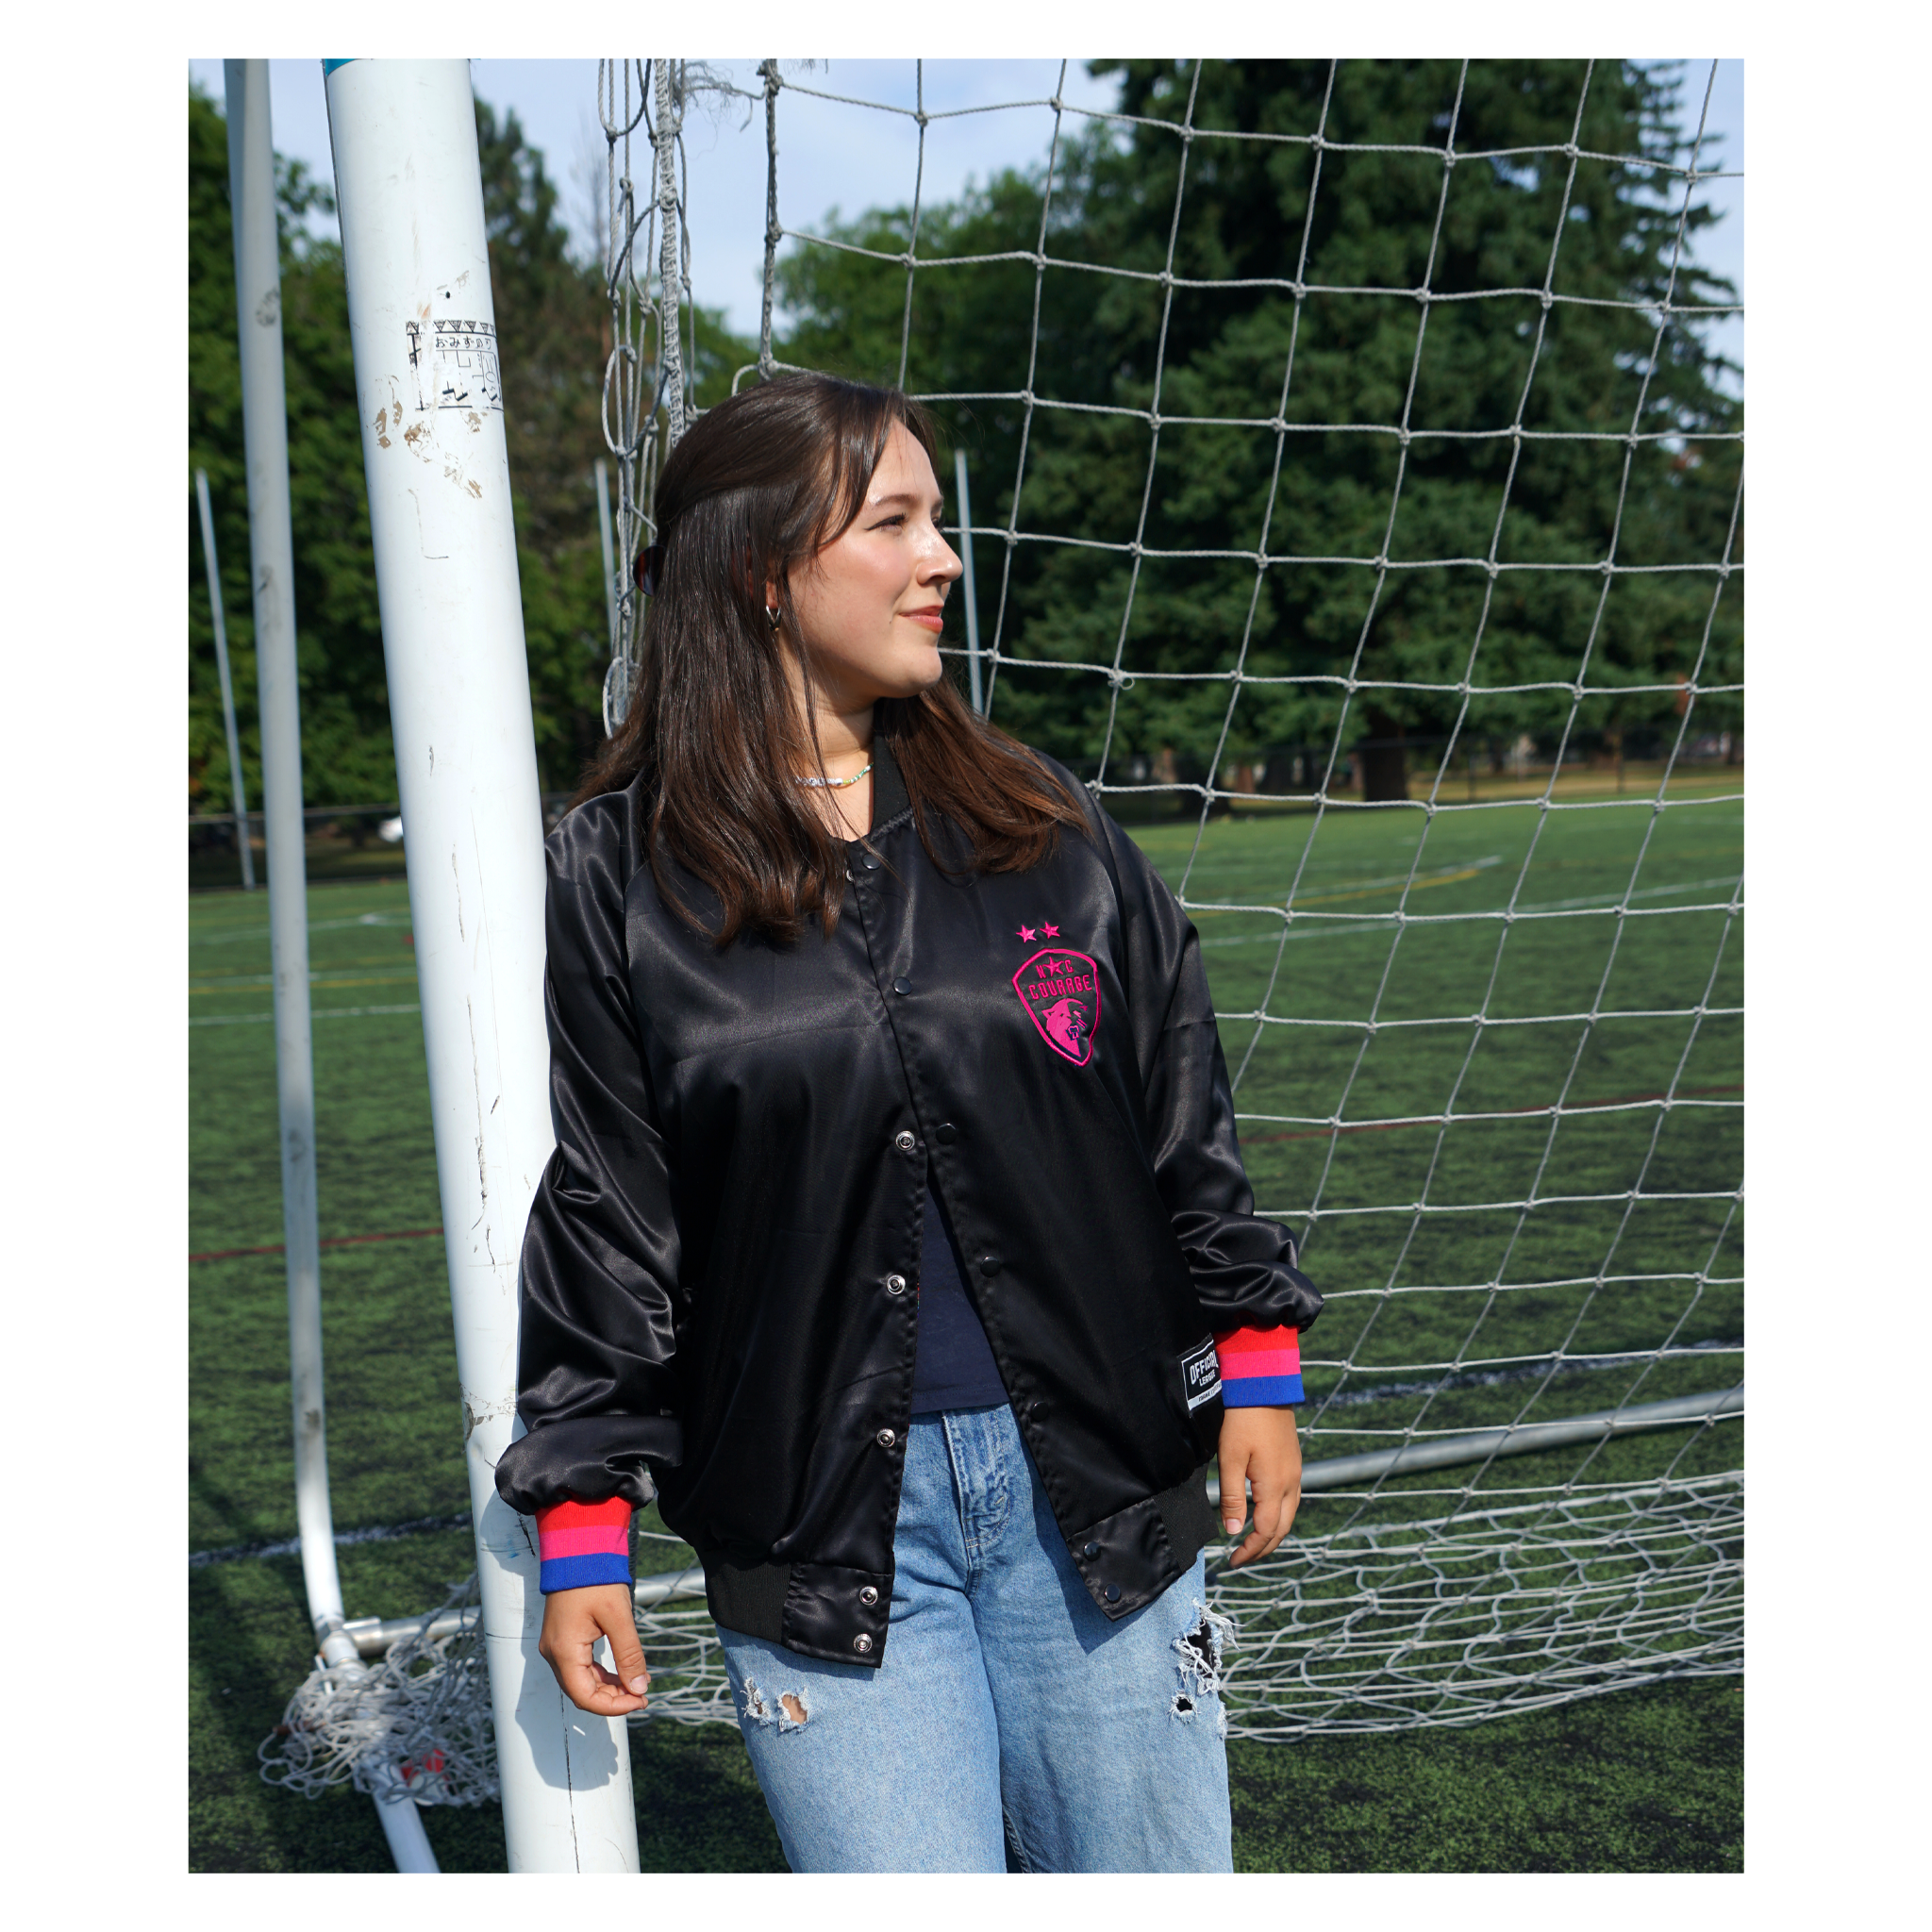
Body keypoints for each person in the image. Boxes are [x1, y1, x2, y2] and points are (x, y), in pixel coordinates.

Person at [493, 371, 1323, 1874]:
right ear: (759, 570)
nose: (943, 556)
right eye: (895, 521)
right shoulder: (616, 876)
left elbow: (1179, 1104)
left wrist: (1254, 1355)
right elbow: (612, 1213)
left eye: (937, 518)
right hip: (816, 1529)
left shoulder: (1041, 823)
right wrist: (582, 1524)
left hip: (1096, 1485)